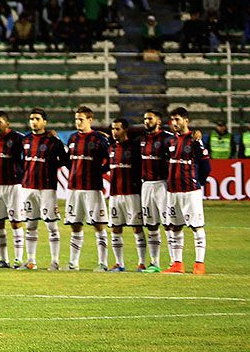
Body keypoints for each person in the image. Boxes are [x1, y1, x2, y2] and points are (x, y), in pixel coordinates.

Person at [19, 108, 69, 271]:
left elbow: (65, 160)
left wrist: (50, 167)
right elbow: (20, 161)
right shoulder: (25, 140)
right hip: (28, 188)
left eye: (37, 119)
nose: (34, 121)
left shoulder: (53, 141)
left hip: (47, 188)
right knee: (30, 225)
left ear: (44, 122)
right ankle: (31, 261)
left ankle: (55, 262)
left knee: (51, 226)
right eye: (32, 118)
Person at [163, 107, 210, 275]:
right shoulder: (170, 141)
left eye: (178, 120)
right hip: (173, 192)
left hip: (190, 191)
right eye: (172, 120)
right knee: (174, 227)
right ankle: (177, 264)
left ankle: (199, 264)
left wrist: (198, 182)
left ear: (186, 121)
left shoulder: (194, 140)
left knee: (196, 227)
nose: (174, 123)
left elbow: (206, 166)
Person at [65, 106, 111, 271]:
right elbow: (68, 161)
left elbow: (111, 157)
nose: (78, 122)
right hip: (74, 188)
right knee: (75, 224)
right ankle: (73, 263)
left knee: (98, 225)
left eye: (81, 119)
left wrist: (100, 171)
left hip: (92, 188)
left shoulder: (99, 139)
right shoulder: (72, 138)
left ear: (90, 120)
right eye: (76, 119)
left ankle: (103, 263)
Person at [0, 112, 26, 268]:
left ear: (7, 123)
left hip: (13, 185)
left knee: (16, 221)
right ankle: (3, 260)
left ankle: (18, 259)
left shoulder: (18, 138)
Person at [105, 117, 147, 272]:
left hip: (132, 193)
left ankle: (142, 263)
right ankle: (119, 263)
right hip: (115, 194)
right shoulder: (111, 147)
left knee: (137, 228)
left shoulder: (135, 146)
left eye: (118, 129)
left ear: (125, 130)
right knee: (115, 228)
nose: (114, 132)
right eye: (113, 129)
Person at [138, 109, 173, 272]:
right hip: (146, 185)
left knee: (168, 224)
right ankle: (155, 263)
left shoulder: (167, 138)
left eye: (150, 118)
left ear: (158, 121)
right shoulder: (142, 139)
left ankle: (175, 262)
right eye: (145, 119)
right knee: (151, 225)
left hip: (162, 185)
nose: (146, 121)